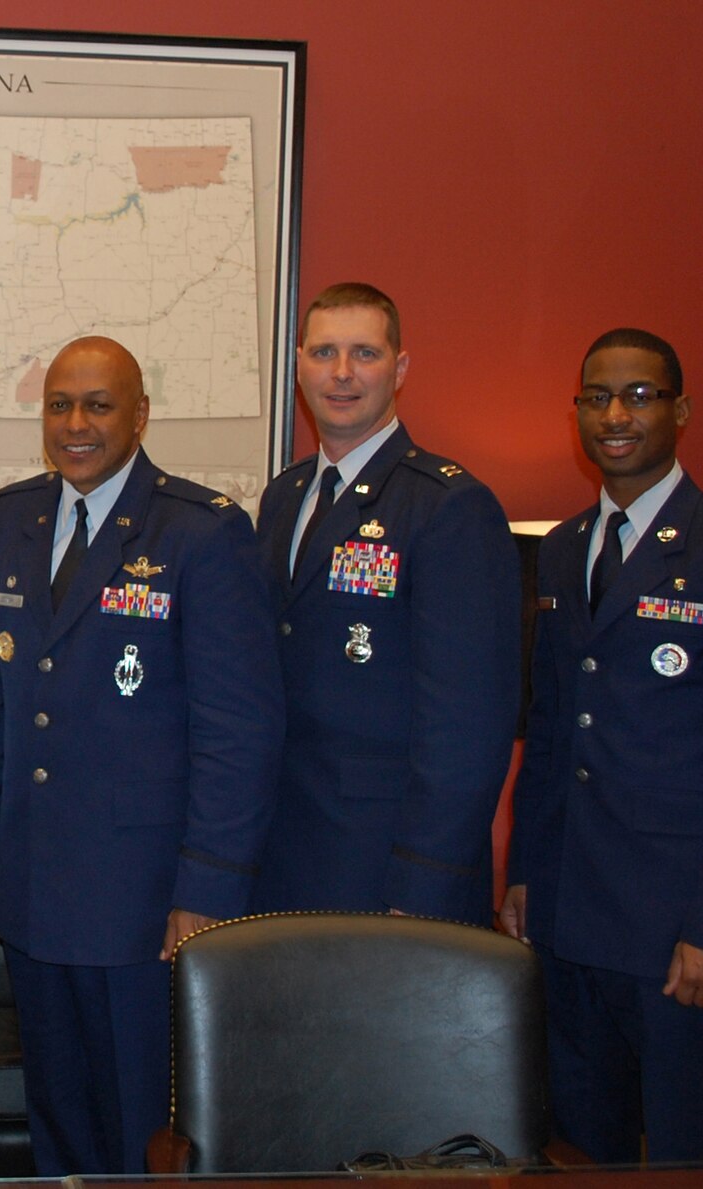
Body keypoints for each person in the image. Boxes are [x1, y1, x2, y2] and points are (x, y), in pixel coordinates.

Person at [0, 336, 283, 1174]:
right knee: (58, 1118)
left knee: (143, 1126)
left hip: (145, 901)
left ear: (139, 415)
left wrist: (208, 885)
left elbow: (239, 730)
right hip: (33, 884)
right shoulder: (10, 518)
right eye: (59, 405)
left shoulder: (202, 534)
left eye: (98, 405)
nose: (75, 423)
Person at [502, 329, 703, 1163]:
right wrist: (527, 870)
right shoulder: (564, 548)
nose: (615, 414)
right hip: (571, 910)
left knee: (691, 1154)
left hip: (677, 930)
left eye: (638, 394)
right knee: (581, 1144)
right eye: (596, 396)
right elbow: (555, 726)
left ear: (681, 410)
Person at [249, 282, 518, 924]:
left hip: (386, 868)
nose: (341, 374)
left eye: (364, 354)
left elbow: (469, 722)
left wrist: (424, 885)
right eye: (323, 353)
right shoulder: (284, 498)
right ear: (299, 364)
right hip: (282, 851)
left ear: (399, 369)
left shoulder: (449, 507)